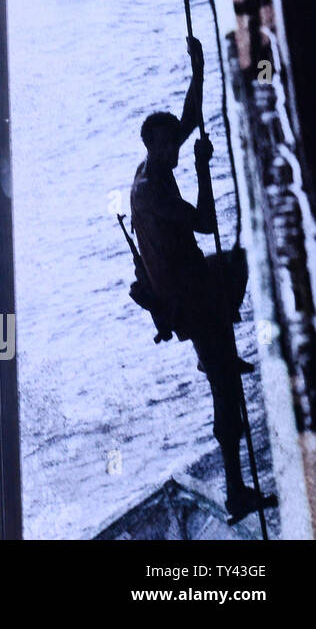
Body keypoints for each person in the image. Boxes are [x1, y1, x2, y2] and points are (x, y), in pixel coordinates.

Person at [130, 36, 271, 521]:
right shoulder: (154, 192)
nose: (178, 148)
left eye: (177, 145)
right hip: (188, 299)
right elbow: (207, 221)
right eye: (172, 145)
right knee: (226, 391)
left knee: (239, 262)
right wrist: (201, 169)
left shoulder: (152, 164)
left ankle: (221, 353)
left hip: (192, 281)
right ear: (156, 146)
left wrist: (199, 70)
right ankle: (236, 491)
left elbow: (190, 118)